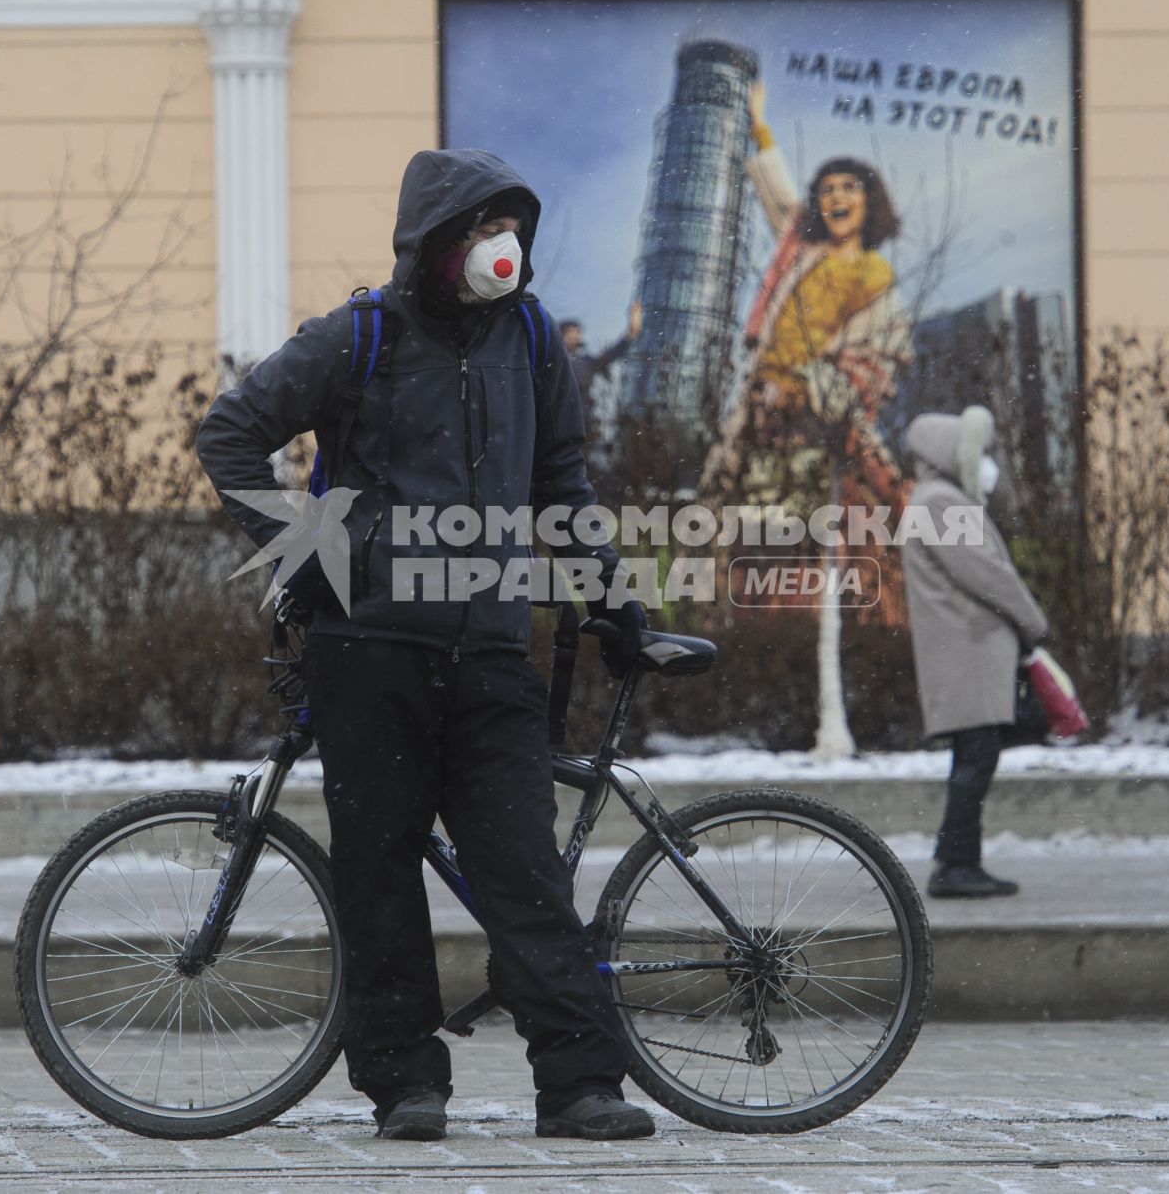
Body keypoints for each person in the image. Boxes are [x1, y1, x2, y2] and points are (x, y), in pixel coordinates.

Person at [195, 148, 656, 1141]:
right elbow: (230, 433)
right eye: (482, 230)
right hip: (370, 654)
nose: (502, 248)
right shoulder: (357, 337)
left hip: (492, 653)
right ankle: (407, 1081)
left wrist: (611, 597)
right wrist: (307, 551)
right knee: (379, 868)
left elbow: (561, 485)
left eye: (511, 230)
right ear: (434, 243)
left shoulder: (531, 337)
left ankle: (579, 1082)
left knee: (522, 869)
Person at [700, 80, 910, 507]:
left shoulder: (876, 277)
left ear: (870, 202)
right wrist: (759, 124)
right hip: (760, 402)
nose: (837, 195)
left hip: (818, 419)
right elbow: (778, 195)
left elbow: (880, 358)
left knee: (810, 526)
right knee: (731, 512)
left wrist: (806, 390)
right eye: (828, 188)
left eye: (850, 187)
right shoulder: (802, 251)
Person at [900, 405, 1048, 898]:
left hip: (964, 651)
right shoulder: (942, 502)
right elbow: (987, 575)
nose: (986, 462)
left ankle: (959, 860)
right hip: (970, 651)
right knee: (976, 759)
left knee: (975, 757)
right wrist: (1033, 622)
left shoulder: (933, 499)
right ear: (953, 453)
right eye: (978, 452)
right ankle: (955, 865)